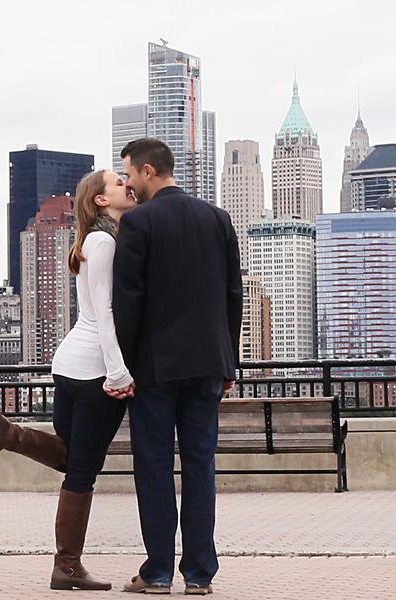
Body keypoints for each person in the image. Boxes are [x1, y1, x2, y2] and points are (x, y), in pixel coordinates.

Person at [0, 169, 137, 591]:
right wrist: (118, 371)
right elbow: (106, 313)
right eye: (118, 183)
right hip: (95, 370)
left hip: (70, 365)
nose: (126, 185)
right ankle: (68, 566)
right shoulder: (102, 242)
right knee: (82, 472)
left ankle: (9, 434)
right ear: (99, 200)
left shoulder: (96, 239)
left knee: (71, 456)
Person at [111, 138, 242, 595]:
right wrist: (230, 361)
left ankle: (159, 572)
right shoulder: (218, 219)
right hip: (208, 363)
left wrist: (123, 368)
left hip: (155, 369)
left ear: (148, 171)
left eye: (128, 173)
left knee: (153, 467)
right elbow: (232, 297)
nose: (126, 183)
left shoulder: (139, 223)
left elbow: (127, 302)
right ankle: (200, 574)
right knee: (200, 467)